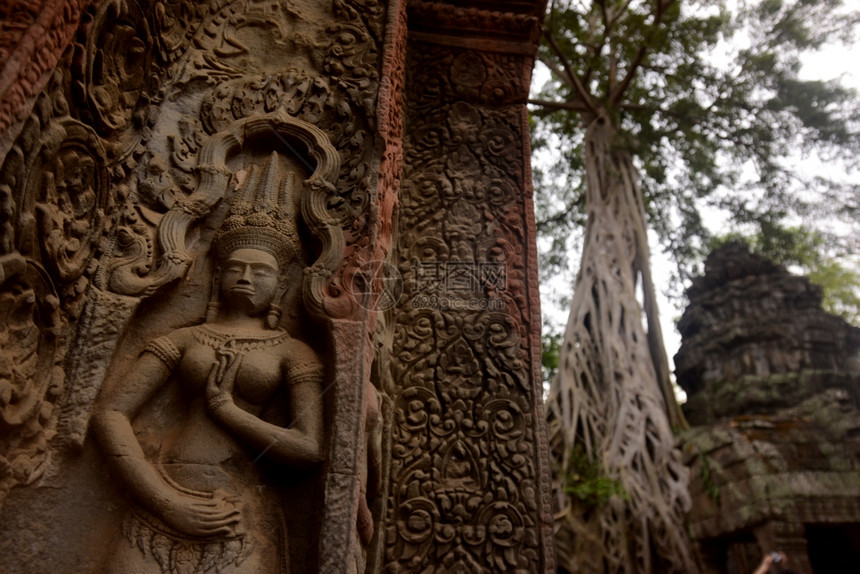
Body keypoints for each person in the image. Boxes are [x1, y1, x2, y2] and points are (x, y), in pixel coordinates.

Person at [92, 155, 324, 574]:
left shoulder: (293, 352)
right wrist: (166, 501)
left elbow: (308, 448)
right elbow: (111, 413)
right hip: (159, 501)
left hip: (235, 514)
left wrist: (228, 412)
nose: (246, 278)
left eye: (261, 271)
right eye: (234, 268)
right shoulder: (182, 339)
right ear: (216, 277)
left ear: (282, 285)